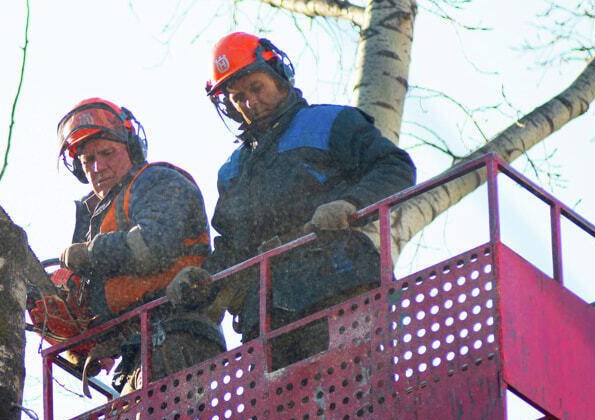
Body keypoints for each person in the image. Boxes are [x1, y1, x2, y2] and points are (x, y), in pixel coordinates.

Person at [168, 32, 416, 369]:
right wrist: (204, 278)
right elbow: (234, 248)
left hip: (338, 285)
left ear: (279, 78)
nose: (249, 103)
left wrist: (350, 203)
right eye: (237, 97)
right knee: (284, 418)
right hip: (267, 318)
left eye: (257, 88)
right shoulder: (233, 171)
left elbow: (394, 167)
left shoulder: (330, 122)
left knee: (354, 396)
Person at [54, 98, 225, 392]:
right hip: (137, 349)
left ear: (131, 148)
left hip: (177, 335)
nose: (98, 167)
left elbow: (152, 246)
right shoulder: (98, 214)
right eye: (88, 160)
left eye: (107, 153)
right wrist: (82, 337)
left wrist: (91, 253)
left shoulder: (158, 181)